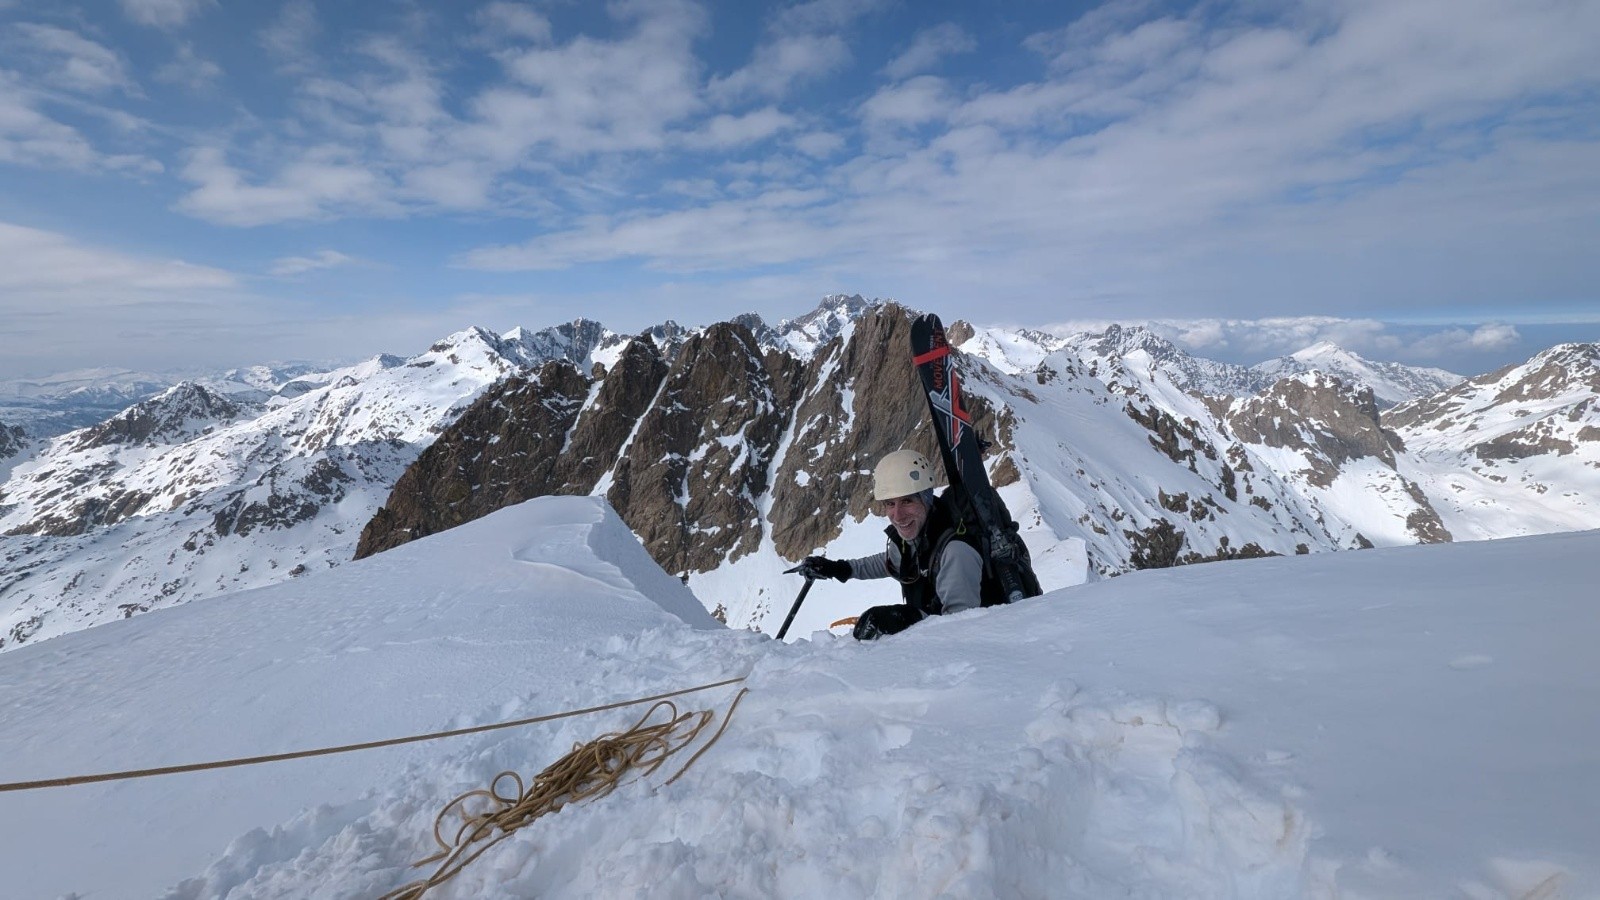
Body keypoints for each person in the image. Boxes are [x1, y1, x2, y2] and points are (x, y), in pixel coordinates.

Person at [796, 449, 985, 640]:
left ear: (926, 499)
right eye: (890, 504)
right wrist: (840, 568)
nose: (897, 515)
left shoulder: (956, 552)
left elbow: (961, 627)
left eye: (907, 501)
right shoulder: (914, 539)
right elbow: (891, 562)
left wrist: (907, 618)